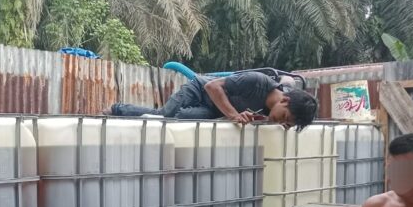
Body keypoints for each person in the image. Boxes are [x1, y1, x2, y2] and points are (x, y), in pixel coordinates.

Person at [104, 71, 318, 131]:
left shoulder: (268, 111)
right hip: (199, 90)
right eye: (284, 117)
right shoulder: (258, 81)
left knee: (180, 120)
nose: (281, 122)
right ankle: (116, 109)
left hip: (213, 111)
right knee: (165, 115)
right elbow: (212, 87)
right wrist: (234, 115)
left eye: (287, 124)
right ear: (285, 100)